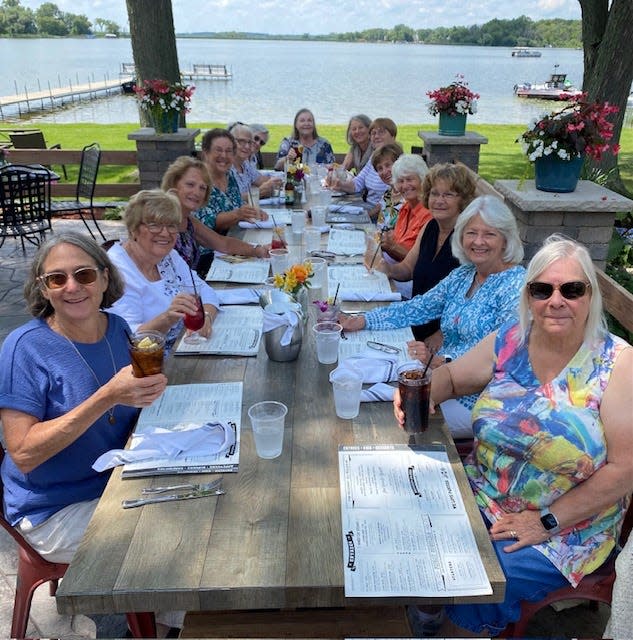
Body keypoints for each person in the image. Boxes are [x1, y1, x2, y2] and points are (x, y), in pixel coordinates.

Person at [399, 235, 633, 637]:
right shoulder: (512, 340)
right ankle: (424, 610)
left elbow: (626, 469)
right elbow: (453, 377)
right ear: (529, 296)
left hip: (565, 527)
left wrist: (545, 522)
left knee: (471, 577)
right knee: (402, 518)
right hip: (482, 489)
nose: (555, 300)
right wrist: (417, 394)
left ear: (590, 297)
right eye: (543, 289)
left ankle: (452, 625)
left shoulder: (618, 364)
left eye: (572, 289)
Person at [0, 232, 167, 564]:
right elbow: (23, 454)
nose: (72, 287)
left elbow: (133, 404)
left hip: (116, 480)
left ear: (105, 278)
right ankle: (165, 616)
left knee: (203, 499)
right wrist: (106, 397)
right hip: (55, 509)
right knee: (166, 536)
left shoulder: (117, 328)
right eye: (57, 279)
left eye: (84, 275)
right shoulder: (25, 348)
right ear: (43, 288)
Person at [339, 196, 525, 438]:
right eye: (471, 233)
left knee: (385, 416)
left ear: (505, 240)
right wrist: (364, 320)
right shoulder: (464, 274)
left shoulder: (516, 285)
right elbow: (418, 308)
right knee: (363, 386)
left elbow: (502, 353)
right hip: (439, 379)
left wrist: (442, 361)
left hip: (479, 399)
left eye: (489, 234)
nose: (478, 241)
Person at [108, 189, 220, 352]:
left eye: (171, 225)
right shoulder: (118, 269)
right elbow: (128, 339)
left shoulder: (169, 256)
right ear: (133, 229)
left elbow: (205, 291)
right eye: (154, 225)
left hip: (184, 348)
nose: (165, 233)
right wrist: (167, 318)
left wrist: (207, 318)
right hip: (148, 363)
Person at [374, 163, 476, 341]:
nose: (439, 200)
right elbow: (408, 268)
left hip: (444, 337)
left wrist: (438, 337)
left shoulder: (468, 237)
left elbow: (471, 304)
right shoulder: (430, 226)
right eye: (435, 194)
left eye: (448, 195)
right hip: (414, 321)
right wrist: (387, 269)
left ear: (463, 199)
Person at [161, 155, 269, 277]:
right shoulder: (161, 221)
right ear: (174, 184)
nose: (197, 192)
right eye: (190, 184)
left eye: (202, 188)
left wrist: (258, 250)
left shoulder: (188, 220)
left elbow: (223, 243)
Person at [195, 128, 268, 235]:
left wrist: (252, 212)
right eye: (218, 150)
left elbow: (238, 204)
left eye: (228, 151)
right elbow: (203, 221)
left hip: (232, 239)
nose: (224, 155)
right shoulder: (197, 179)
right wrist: (238, 215)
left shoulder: (230, 175)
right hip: (207, 248)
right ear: (206, 152)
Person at [330, 118, 398, 205]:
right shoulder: (374, 157)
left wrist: (367, 215)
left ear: (393, 136)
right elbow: (358, 183)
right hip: (367, 206)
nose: (376, 136)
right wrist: (340, 184)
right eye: (373, 133)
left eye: (381, 132)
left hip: (382, 213)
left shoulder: (399, 162)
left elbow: (390, 202)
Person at [377, 154, 431, 263]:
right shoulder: (405, 207)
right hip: (393, 266)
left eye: (410, 179)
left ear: (422, 179)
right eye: (401, 181)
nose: (405, 186)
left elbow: (420, 263)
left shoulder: (428, 214)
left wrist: (392, 247)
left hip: (408, 277)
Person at [228, 123, 281, 198]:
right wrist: (259, 192)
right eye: (241, 141)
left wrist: (275, 183)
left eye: (249, 142)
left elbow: (260, 180)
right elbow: (229, 200)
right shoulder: (224, 167)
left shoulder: (245, 165)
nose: (247, 146)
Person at [370, 142, 404, 226]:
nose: (384, 172)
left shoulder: (408, 196)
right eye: (380, 168)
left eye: (388, 165)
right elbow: (380, 226)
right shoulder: (387, 194)